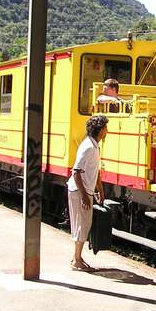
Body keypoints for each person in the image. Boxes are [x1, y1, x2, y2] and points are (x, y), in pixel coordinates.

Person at [66, 115, 108, 271]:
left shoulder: (94, 145)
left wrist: (100, 190)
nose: (107, 131)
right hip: (78, 191)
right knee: (81, 225)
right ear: (100, 130)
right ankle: (76, 261)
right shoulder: (88, 147)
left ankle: (77, 258)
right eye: (105, 128)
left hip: (83, 190)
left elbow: (95, 171)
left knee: (83, 225)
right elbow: (76, 172)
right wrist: (84, 195)